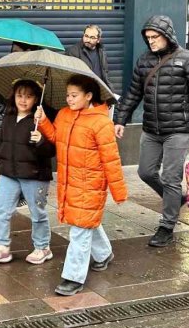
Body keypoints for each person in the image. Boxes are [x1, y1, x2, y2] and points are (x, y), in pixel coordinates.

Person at [113, 15, 189, 248]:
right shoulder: (144, 61)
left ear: (167, 35)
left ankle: (167, 225)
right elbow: (132, 94)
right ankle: (176, 199)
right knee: (145, 172)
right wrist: (120, 118)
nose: (151, 42)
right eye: (148, 38)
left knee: (171, 177)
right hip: (151, 129)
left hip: (179, 130)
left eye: (155, 37)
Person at [36, 74, 128, 295]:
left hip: (91, 185)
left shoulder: (101, 122)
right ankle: (104, 254)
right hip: (70, 183)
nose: (69, 99)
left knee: (79, 230)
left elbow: (111, 159)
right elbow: (58, 138)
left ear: (88, 96)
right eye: (68, 95)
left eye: (74, 95)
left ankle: (73, 277)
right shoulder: (64, 114)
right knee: (86, 223)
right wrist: (44, 122)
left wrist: (119, 191)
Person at [0, 79, 56, 267]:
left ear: (36, 99)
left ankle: (42, 247)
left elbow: (51, 151)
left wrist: (41, 141)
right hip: (9, 174)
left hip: (34, 175)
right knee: (1, 210)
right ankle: (2, 248)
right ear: (13, 96)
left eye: (29, 96)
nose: (23, 100)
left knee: (37, 213)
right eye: (19, 95)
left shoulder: (41, 121)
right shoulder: (8, 117)